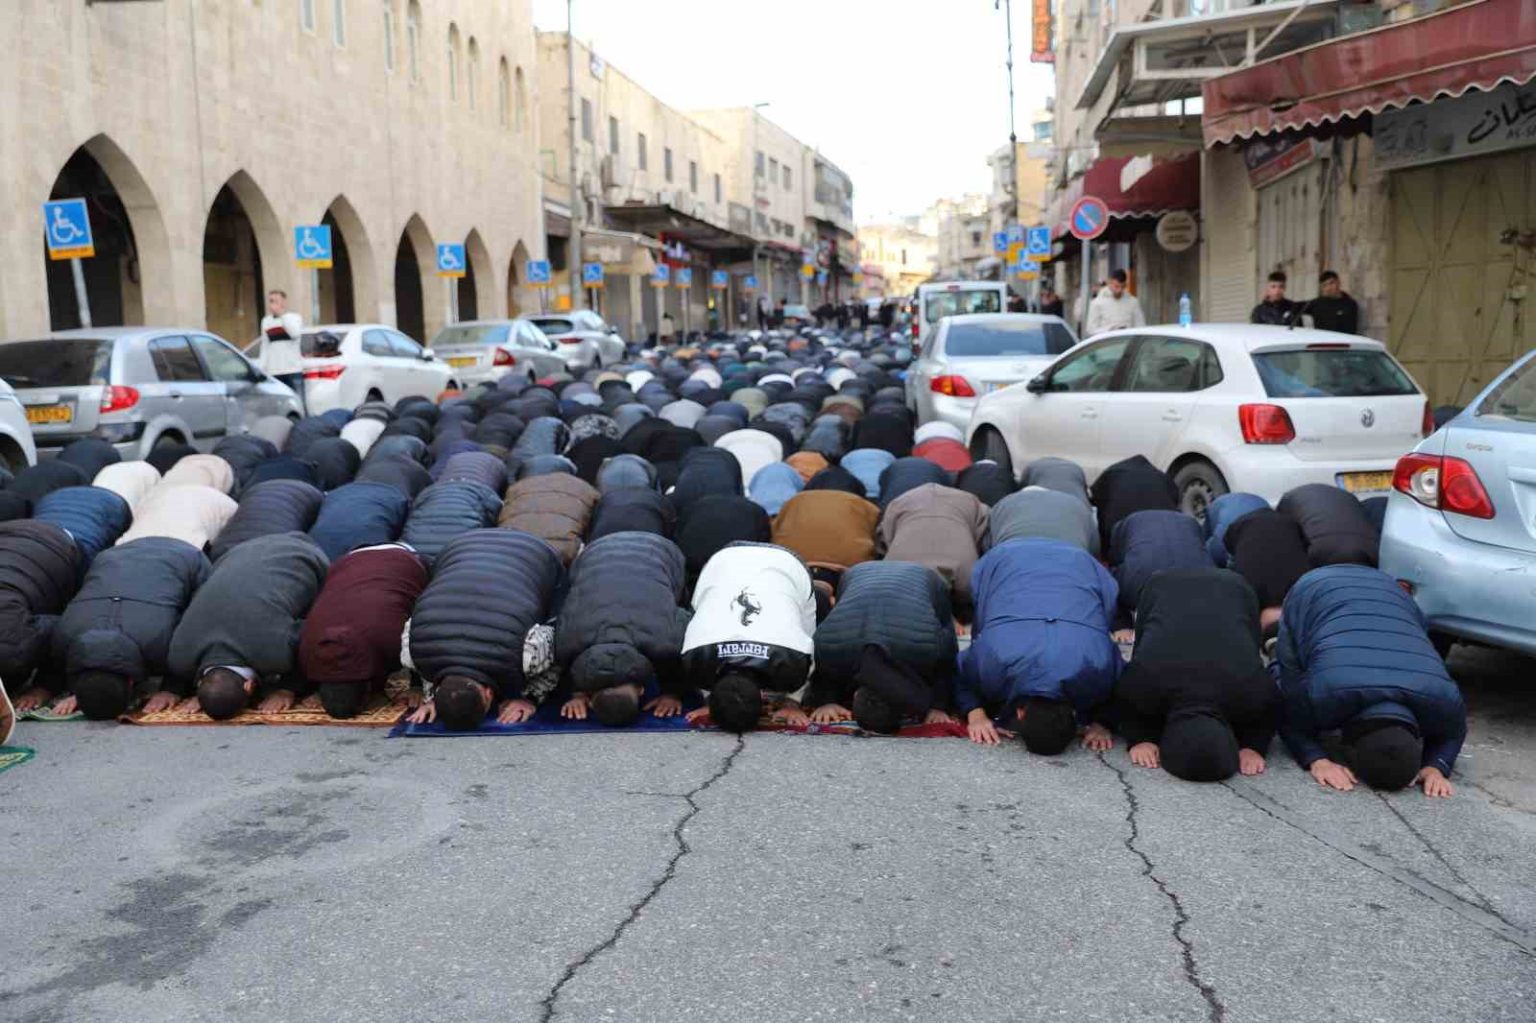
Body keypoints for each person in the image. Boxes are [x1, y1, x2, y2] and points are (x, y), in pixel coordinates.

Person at [1277, 565, 1466, 798]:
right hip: (1313, 590)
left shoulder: (1441, 699)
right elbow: (1288, 715)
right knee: (1289, 670)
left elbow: (1455, 731)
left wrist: (1435, 767)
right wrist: (1317, 759)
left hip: (1390, 590)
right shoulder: (1324, 695)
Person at [956, 538, 1120, 754]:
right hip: (1008, 561)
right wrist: (977, 715)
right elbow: (959, 669)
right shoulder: (993, 662)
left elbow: (1127, 681)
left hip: (1076, 563)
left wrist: (1103, 722)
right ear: (1020, 714)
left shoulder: (1098, 669)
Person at [1115, 568, 1277, 782]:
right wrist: (1253, 746)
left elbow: (1271, 706)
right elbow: (1125, 698)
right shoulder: (1147, 680)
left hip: (1225, 587)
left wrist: (1252, 747)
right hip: (1187, 586)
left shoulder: (1248, 688)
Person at [407, 529, 565, 730]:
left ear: (489, 694)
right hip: (461, 547)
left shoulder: (526, 654)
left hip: (538, 555)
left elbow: (558, 642)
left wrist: (530, 697)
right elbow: (412, 631)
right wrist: (433, 698)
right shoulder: (415, 649)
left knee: (556, 613)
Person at [167, 532, 329, 719]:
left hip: (304, 556)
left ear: (249, 686)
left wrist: (288, 689)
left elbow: (313, 637)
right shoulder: (180, 656)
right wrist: (192, 692)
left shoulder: (274, 649)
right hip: (239, 552)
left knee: (322, 614)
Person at [47, 537, 211, 719]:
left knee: (204, 607)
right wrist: (88, 693)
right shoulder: (65, 637)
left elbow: (193, 638)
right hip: (113, 557)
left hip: (186, 558)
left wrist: (173, 689)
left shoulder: (159, 643)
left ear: (132, 682)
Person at [553, 532, 693, 725]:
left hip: (659, 552)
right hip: (598, 552)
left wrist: (672, 694)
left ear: (641, 690)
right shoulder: (567, 644)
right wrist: (672, 692)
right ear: (642, 690)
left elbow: (685, 620)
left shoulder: (665, 642)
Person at [804, 561, 958, 731]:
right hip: (862, 575)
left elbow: (948, 654)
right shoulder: (832, 647)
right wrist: (939, 705)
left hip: (905, 577)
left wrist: (826, 701)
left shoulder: (923, 649)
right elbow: (947, 658)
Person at [681, 543, 817, 732]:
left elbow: (809, 651)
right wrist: (791, 704)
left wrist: (792, 704)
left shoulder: (792, 657)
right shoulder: (695, 657)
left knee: (806, 631)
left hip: (784, 565)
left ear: (763, 698)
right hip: (723, 561)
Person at [297, 543, 427, 719]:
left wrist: (417, 687)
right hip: (348, 560)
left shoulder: (391, 639)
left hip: (403, 559)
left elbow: (420, 638)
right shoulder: (309, 647)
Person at [1, 521, 85, 712]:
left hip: (54, 547)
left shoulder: (16, 646)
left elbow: (64, 630)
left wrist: (43, 689)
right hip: (13, 539)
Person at [259, 289, 306, 412]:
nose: (272, 304)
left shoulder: (294, 318)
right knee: (279, 406)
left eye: (276, 301)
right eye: (271, 301)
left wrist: (282, 315)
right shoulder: (266, 321)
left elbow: (294, 333)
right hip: (274, 371)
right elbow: (265, 346)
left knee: (298, 402)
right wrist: (262, 367)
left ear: (283, 303)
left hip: (292, 369)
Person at [1086, 270, 1145, 336]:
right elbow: (1091, 330)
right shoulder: (1097, 303)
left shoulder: (1133, 302)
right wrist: (1110, 329)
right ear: (1109, 283)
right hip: (1107, 341)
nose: (1119, 290)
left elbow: (1141, 327)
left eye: (1123, 287)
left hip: (1128, 340)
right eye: (1116, 286)